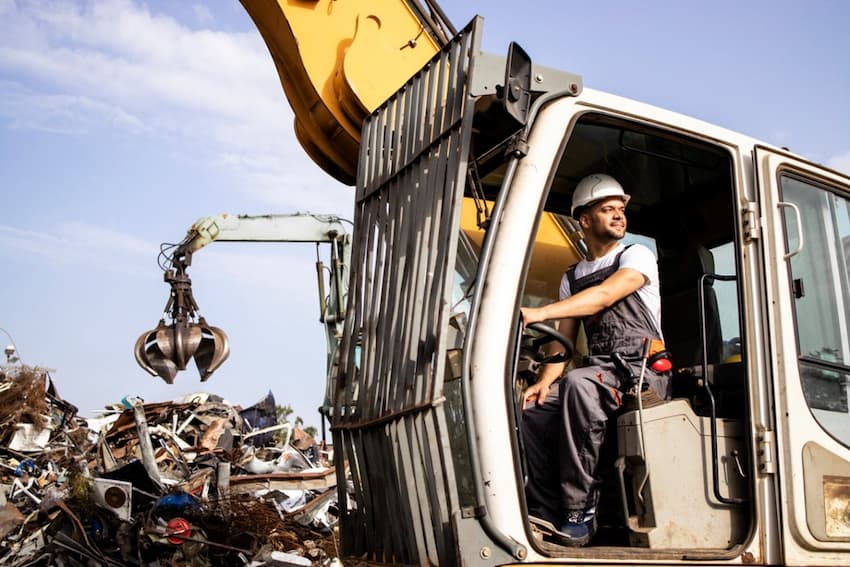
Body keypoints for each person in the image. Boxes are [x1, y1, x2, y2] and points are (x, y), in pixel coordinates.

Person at [519, 173, 670, 546]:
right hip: (601, 373)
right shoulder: (571, 277)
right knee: (535, 408)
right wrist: (542, 382)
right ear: (585, 220)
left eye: (621, 209)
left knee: (579, 384)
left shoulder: (635, 256)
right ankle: (544, 510)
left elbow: (604, 296)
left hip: (641, 371)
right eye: (608, 209)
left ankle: (580, 510)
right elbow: (563, 343)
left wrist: (536, 313)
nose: (619, 216)